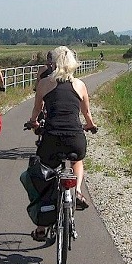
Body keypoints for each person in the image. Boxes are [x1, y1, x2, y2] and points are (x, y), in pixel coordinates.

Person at [27, 46, 97, 240]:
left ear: (53, 63)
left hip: (51, 138)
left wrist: (33, 123)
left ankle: (41, 227)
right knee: (77, 161)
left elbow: (35, 113)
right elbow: (87, 115)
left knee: (45, 176)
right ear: (73, 64)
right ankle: (79, 192)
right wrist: (90, 126)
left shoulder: (44, 84)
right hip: (75, 137)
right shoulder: (80, 85)